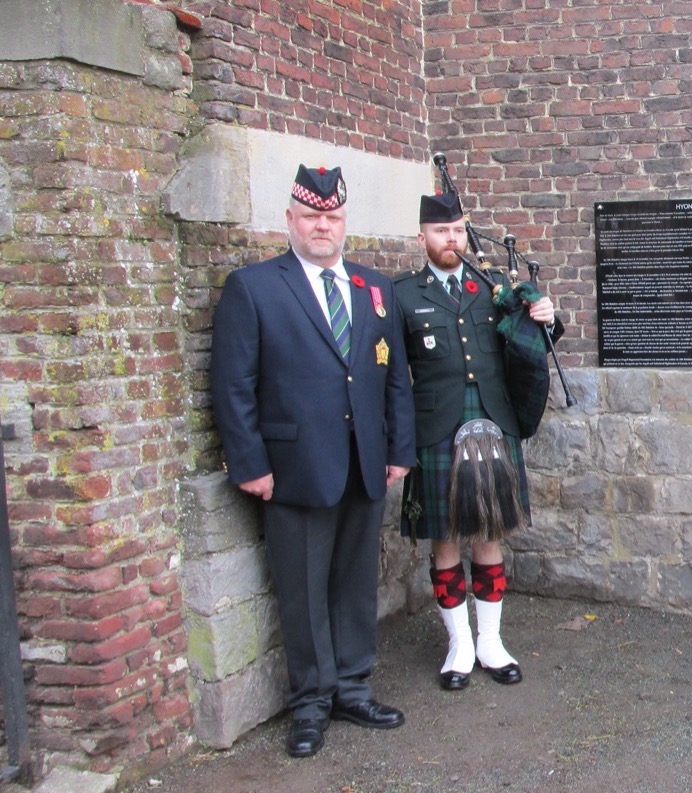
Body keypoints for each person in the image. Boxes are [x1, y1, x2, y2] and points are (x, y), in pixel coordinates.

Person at [210, 165, 417, 758]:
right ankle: (311, 702)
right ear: (291, 221)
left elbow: (393, 378)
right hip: (293, 467)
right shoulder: (254, 287)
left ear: (342, 221)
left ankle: (352, 687)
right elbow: (233, 385)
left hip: (365, 464)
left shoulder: (372, 286)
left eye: (332, 218)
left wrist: (398, 449)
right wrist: (248, 462)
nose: (322, 227)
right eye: (312, 217)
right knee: (301, 590)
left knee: (353, 584)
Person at [394, 191, 558, 691]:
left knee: (490, 533)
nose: (452, 240)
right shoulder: (402, 294)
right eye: (442, 232)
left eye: (459, 231)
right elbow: (389, 378)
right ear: (422, 236)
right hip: (436, 428)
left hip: (493, 421)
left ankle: (491, 641)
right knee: (446, 541)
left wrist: (545, 314)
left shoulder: (494, 288)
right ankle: (459, 645)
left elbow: (534, 339)